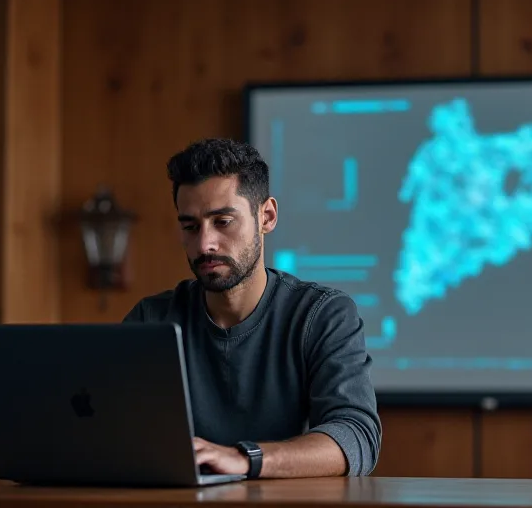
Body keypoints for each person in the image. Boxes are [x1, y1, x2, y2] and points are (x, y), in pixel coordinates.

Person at [122, 138, 381, 479]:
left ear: (266, 216)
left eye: (223, 221)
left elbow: (356, 438)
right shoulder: (151, 319)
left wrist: (246, 459)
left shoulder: (322, 315)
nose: (204, 244)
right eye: (190, 227)